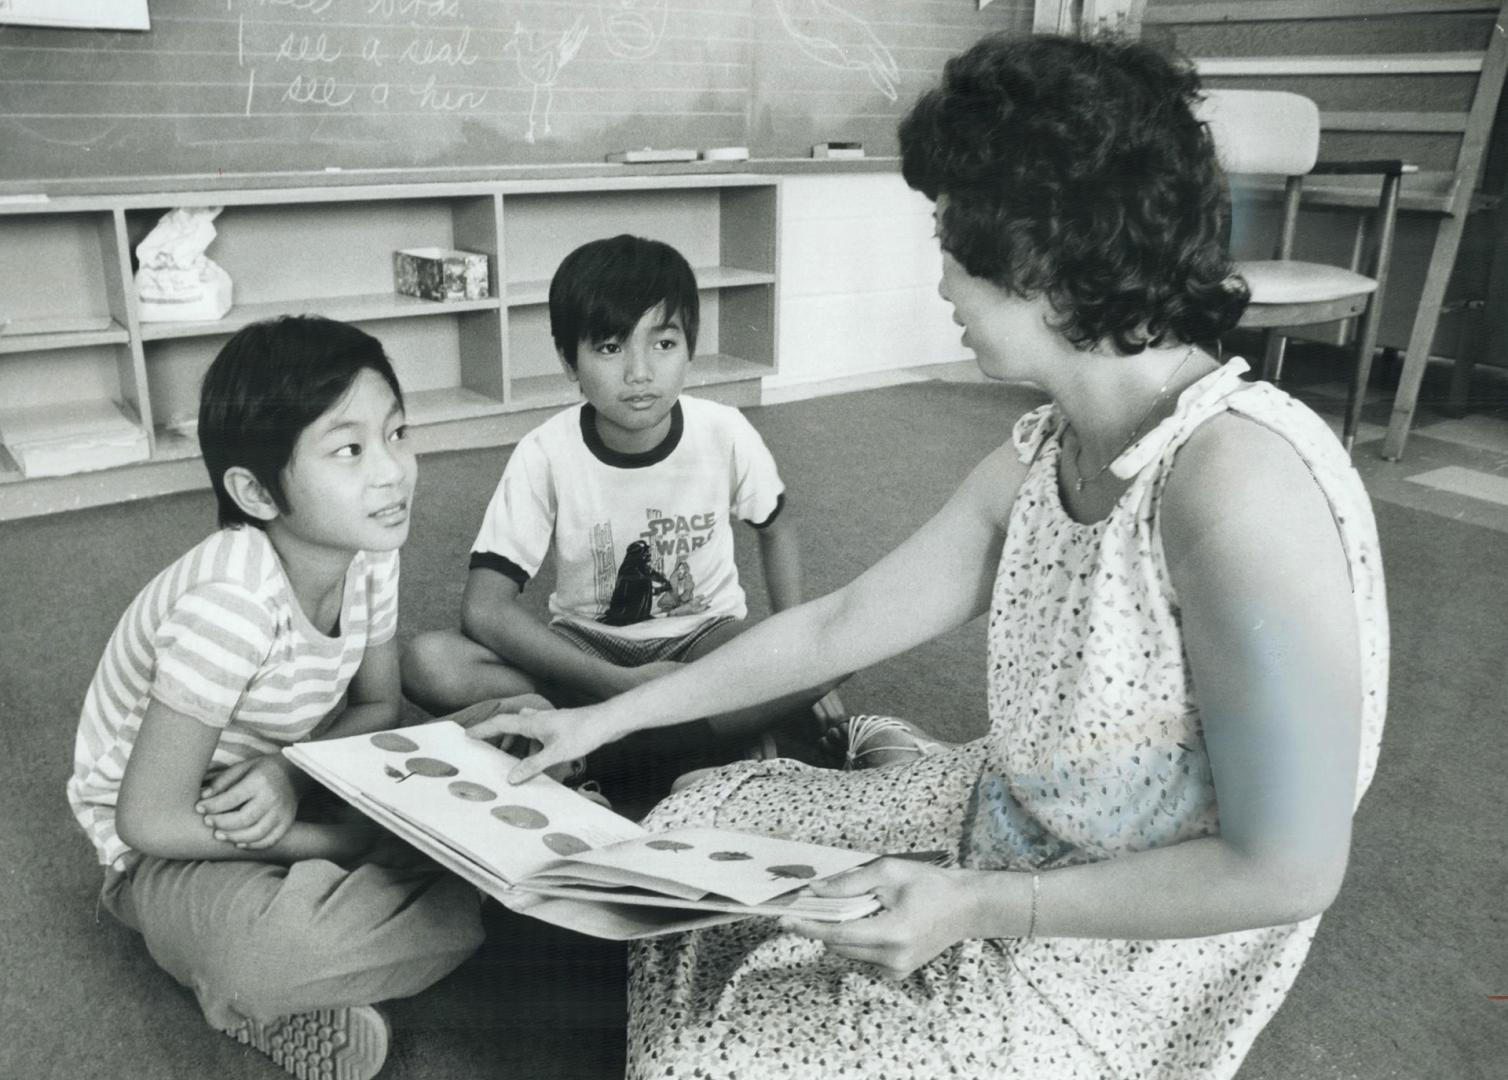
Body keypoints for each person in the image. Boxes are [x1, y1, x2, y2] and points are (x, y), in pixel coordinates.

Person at [471, 33, 1389, 1080]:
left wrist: (979, 906)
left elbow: (1286, 868)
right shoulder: (1047, 446)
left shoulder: (1236, 484)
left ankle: (896, 806)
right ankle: (899, 769)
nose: (939, 268)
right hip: (1010, 810)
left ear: (1038, 254)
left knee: (699, 1060)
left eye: (951, 233)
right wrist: (603, 715)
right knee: (697, 816)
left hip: (1119, 935)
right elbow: (837, 623)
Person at [66, 316, 490, 1080]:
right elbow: (148, 818)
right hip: (177, 843)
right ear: (257, 491)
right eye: (349, 450)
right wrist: (329, 842)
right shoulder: (230, 604)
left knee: (510, 731)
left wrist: (290, 772)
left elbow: (378, 708)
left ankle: (422, 889)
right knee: (265, 962)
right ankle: (465, 894)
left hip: (297, 763)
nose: (393, 471)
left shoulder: (366, 546)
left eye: (397, 432)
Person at [403, 234, 844, 801]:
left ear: (690, 347)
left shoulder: (726, 431)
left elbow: (776, 528)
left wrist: (794, 640)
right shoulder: (545, 452)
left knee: (836, 645)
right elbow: (484, 610)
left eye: (663, 343)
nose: (640, 372)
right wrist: (621, 682)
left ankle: (598, 743)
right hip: (589, 652)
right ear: (569, 361)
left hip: (703, 642)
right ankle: (695, 738)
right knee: (428, 660)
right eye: (610, 348)